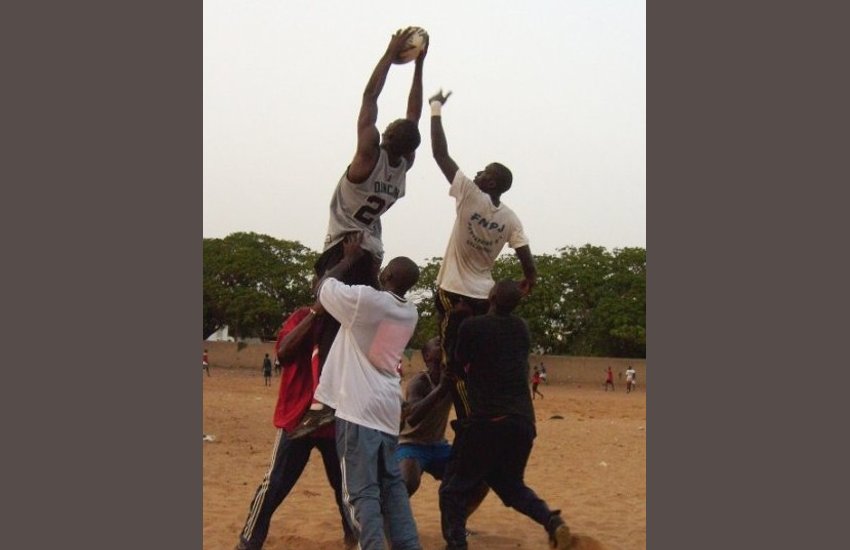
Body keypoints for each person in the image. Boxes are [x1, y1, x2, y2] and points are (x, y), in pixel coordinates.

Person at [312, 27, 428, 376]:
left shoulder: (367, 156)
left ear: (386, 135)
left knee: (328, 320)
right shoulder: (404, 165)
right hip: (372, 252)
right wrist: (419, 65)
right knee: (362, 328)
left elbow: (369, 98)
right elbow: (414, 118)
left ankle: (325, 394)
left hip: (344, 247)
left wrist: (390, 55)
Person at [301, 232, 424, 550]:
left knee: (360, 492)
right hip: (387, 410)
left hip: (359, 411)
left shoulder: (366, 302)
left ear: (389, 275)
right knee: (392, 488)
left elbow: (323, 288)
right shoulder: (410, 313)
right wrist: (372, 270)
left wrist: (349, 259)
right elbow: (377, 295)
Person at [439, 281, 574, 550]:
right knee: (511, 486)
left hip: (487, 421)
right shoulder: (521, 328)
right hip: (522, 422)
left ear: (491, 296)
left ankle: (456, 545)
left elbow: (456, 364)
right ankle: (551, 521)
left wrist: (455, 321)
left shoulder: (472, 326)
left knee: (453, 489)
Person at [428, 88, 537, 420]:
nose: (477, 172)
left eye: (484, 171)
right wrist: (528, 279)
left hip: (453, 290)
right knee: (478, 360)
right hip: (484, 297)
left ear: (491, 183)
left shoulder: (469, 192)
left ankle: (469, 422)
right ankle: (484, 413)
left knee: (453, 364)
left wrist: (435, 108)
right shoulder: (510, 218)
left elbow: (440, 153)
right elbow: (526, 255)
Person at [234, 302, 355, 550]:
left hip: (334, 420)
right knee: (275, 483)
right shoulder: (301, 317)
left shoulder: (348, 321)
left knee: (347, 487)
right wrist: (315, 313)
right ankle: (249, 542)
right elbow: (284, 353)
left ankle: (353, 538)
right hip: (297, 418)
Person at [396, 337, 488, 514]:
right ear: (427, 356)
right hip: (411, 443)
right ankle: (387, 522)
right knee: (407, 482)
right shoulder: (420, 382)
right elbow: (413, 417)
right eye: (437, 343)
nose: (443, 343)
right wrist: (441, 389)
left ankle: (457, 521)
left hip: (438, 445)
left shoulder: (453, 379)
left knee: (480, 479)